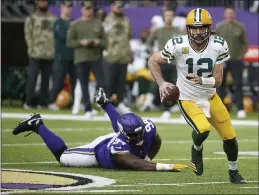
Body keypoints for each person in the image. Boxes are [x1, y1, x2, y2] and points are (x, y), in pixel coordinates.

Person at [147, 8, 246, 184]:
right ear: (188, 29)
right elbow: (153, 60)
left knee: (230, 137)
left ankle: (233, 171)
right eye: (194, 28)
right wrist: (161, 83)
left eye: (202, 28)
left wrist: (202, 80)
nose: (199, 32)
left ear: (209, 28)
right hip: (188, 98)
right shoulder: (177, 44)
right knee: (203, 129)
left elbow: (218, 80)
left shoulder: (218, 44)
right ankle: (197, 148)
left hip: (211, 96)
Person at [12, 88, 188, 172]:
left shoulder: (146, 127)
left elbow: (157, 141)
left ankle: (105, 103)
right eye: (134, 135)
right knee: (63, 157)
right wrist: (165, 166)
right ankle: (37, 124)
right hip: (97, 152)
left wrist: (148, 158)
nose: (140, 136)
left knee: (124, 126)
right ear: (126, 136)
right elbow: (134, 163)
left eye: (140, 131)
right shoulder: (118, 145)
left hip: (122, 142)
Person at [66, 1, 107, 119]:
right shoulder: (76, 24)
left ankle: (104, 107)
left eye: (90, 9)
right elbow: (69, 42)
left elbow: (105, 41)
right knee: (84, 84)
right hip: (81, 58)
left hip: (95, 57)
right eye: (86, 9)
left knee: (102, 82)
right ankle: (87, 109)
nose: (88, 11)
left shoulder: (98, 23)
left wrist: (98, 42)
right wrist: (81, 42)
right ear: (82, 10)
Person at [145, 8, 183, 119]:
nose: (169, 18)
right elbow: (148, 43)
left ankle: (182, 109)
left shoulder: (178, 30)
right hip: (163, 62)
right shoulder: (158, 30)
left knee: (180, 86)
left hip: (177, 62)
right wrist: (153, 53)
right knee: (165, 86)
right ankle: (166, 110)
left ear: (173, 17)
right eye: (167, 16)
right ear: (164, 17)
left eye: (171, 15)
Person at [216, 6, 249, 119]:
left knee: (238, 84)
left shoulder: (240, 27)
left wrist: (240, 55)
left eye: (231, 13)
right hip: (222, 61)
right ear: (225, 15)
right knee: (220, 84)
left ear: (234, 14)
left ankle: (240, 109)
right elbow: (215, 43)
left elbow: (245, 43)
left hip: (237, 60)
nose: (230, 15)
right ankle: (220, 109)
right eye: (228, 13)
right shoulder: (219, 26)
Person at [24, 0, 56, 109]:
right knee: (32, 78)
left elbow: (55, 35)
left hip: (49, 54)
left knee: (46, 79)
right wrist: (31, 49)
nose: (44, 3)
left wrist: (54, 49)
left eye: (45, 2)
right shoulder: (31, 19)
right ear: (37, 3)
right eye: (41, 2)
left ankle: (43, 102)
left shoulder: (53, 19)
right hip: (35, 53)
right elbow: (28, 34)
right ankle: (29, 102)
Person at [104, 1, 132, 113]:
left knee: (121, 83)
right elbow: (104, 37)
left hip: (123, 56)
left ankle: (120, 103)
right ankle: (108, 107)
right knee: (109, 83)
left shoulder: (126, 21)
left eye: (121, 7)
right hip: (111, 56)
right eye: (117, 7)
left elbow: (128, 37)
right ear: (112, 8)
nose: (119, 9)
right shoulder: (107, 21)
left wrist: (129, 53)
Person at [48, 1, 76, 111]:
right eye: (66, 6)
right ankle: (52, 101)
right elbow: (65, 36)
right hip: (60, 57)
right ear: (61, 8)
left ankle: (74, 103)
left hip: (73, 57)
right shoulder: (57, 23)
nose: (68, 9)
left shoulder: (74, 23)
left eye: (69, 7)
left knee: (74, 82)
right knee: (58, 80)